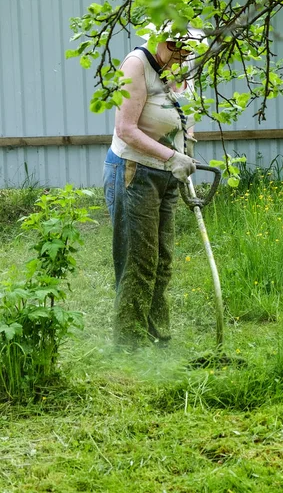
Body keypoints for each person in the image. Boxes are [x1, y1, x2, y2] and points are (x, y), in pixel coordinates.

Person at [103, 24, 206, 349]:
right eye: (176, 48)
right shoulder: (136, 66)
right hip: (134, 170)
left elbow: (186, 117)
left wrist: (186, 152)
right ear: (160, 40)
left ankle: (158, 338)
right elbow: (126, 129)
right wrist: (171, 156)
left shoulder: (186, 65)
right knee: (139, 259)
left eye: (188, 50)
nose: (182, 55)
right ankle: (130, 346)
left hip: (169, 172)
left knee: (163, 260)